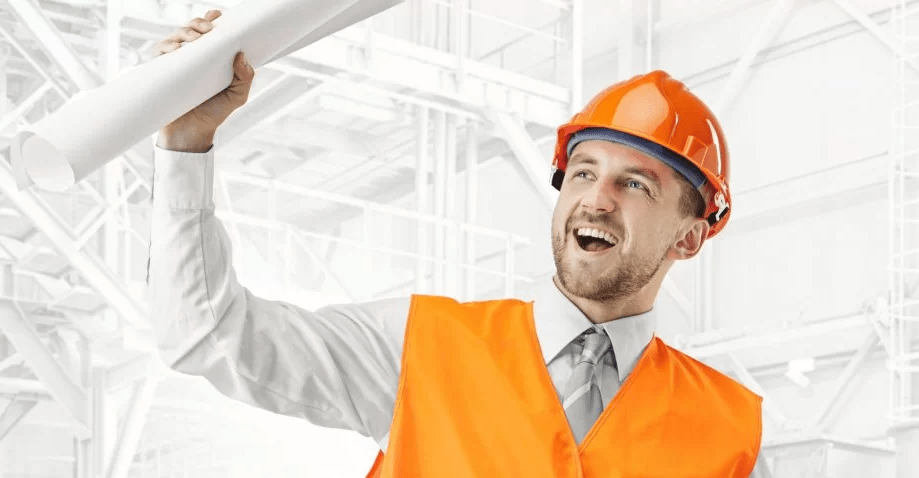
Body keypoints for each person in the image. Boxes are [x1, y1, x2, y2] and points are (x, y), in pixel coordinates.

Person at [147, 10, 772, 478]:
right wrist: (185, 147)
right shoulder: (417, 347)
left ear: (690, 236)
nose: (597, 198)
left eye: (635, 184)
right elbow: (206, 334)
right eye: (583, 172)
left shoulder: (731, 430)